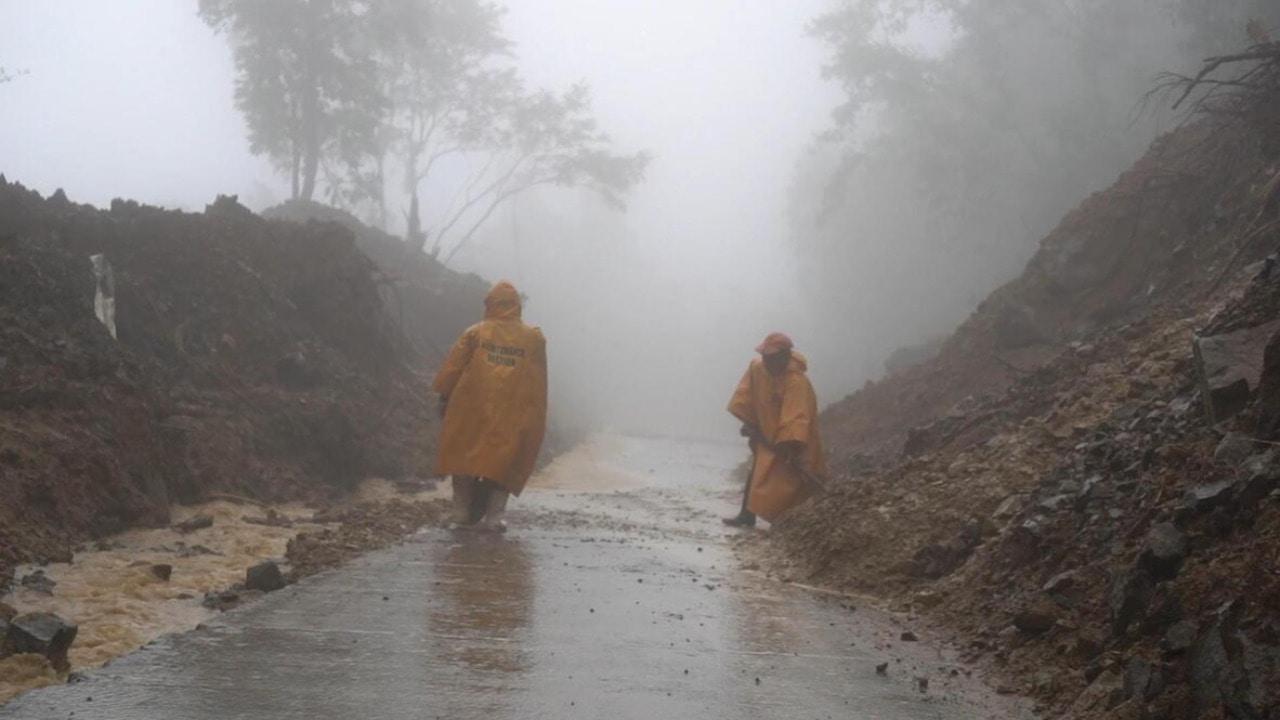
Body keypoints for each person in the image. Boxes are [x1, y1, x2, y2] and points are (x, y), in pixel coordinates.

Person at [433, 281, 548, 532]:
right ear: (517, 305)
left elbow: (453, 367)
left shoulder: (475, 333)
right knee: (504, 461)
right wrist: (535, 413)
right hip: (512, 411)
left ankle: (460, 512)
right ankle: (495, 517)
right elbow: (538, 379)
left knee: (463, 456)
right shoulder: (533, 338)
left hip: (470, 408)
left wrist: (444, 395)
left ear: (490, 304)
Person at [723, 332, 827, 528]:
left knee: (793, 478)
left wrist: (789, 444)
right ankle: (746, 515)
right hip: (765, 433)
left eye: (771, 357)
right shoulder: (757, 369)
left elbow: (796, 416)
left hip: (793, 440)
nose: (767, 361)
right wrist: (749, 422)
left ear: (785, 356)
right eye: (765, 356)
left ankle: (793, 520)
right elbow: (746, 397)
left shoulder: (796, 382)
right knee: (757, 470)